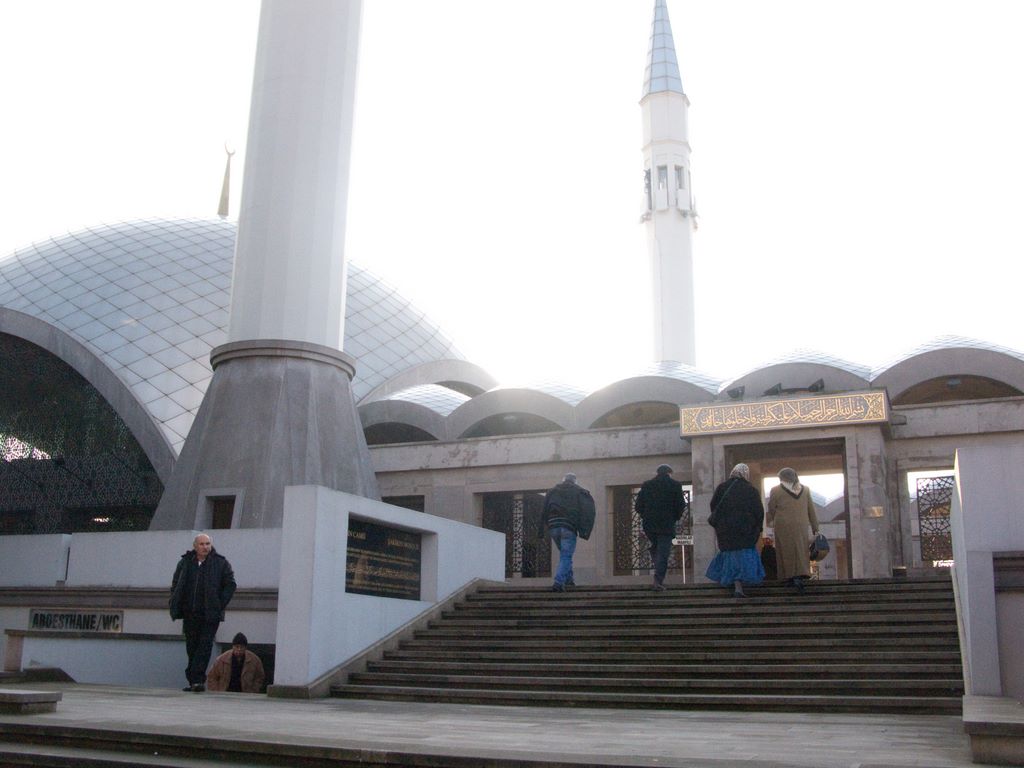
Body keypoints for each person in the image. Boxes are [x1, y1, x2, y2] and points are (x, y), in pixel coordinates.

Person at [169, 533, 237, 692]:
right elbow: (176, 583)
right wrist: (175, 600)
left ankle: (198, 680)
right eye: (202, 544)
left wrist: (219, 604)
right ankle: (193, 680)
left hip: (210, 614)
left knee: (204, 646)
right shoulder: (186, 562)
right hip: (190, 613)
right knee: (192, 646)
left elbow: (230, 585)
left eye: (208, 544)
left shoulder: (220, 563)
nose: (205, 547)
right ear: (195, 546)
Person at [705, 463, 765, 597]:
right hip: (745, 531)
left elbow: (713, 506)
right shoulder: (751, 490)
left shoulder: (722, 488)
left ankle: (735, 584)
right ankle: (741, 584)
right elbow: (758, 511)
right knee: (743, 556)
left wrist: (721, 523)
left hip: (726, 531)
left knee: (731, 556)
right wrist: (757, 528)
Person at [767, 467, 820, 593]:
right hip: (801, 524)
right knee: (801, 549)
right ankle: (801, 573)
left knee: (785, 550)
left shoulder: (775, 490)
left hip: (782, 524)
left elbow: (772, 508)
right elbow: (811, 510)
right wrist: (815, 528)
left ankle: (788, 576)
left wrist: (774, 519)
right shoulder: (805, 490)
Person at [634, 464, 687, 591]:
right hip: (666, 525)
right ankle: (658, 581)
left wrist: (646, 515)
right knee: (663, 553)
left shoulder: (647, 485)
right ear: (669, 473)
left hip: (650, 525)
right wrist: (675, 517)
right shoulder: (675, 485)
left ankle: (653, 552)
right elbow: (681, 505)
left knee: (658, 548)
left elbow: (638, 506)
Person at [539, 473, 595, 592]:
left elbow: (544, 509)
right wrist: (584, 530)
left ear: (563, 480)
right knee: (566, 555)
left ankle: (569, 580)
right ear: (575, 481)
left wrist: (541, 529)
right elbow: (587, 511)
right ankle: (558, 582)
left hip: (553, 526)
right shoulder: (579, 491)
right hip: (569, 527)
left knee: (565, 554)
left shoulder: (552, 491)